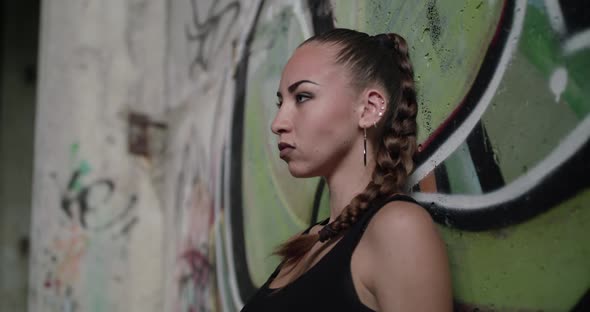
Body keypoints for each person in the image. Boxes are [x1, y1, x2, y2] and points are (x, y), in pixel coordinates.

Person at [241, 28, 452, 311]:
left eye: (302, 97)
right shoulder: (311, 240)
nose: (277, 123)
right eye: (281, 103)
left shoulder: (397, 228)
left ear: (369, 109)